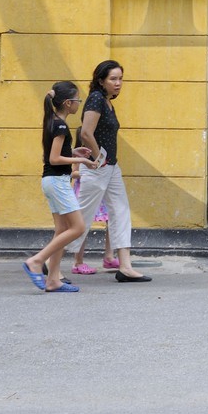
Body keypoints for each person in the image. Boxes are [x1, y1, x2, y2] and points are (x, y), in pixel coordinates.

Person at [68, 60, 151, 283]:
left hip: (111, 167)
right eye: (113, 79)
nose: (118, 83)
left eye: (120, 78)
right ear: (101, 80)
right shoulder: (96, 98)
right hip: (98, 168)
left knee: (121, 212)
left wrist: (105, 162)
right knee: (81, 217)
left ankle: (125, 266)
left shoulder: (106, 101)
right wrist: (99, 158)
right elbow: (86, 132)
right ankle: (46, 262)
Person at [23, 80, 89, 293]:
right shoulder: (60, 125)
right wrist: (83, 162)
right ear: (68, 103)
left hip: (51, 181)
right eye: (78, 100)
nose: (79, 103)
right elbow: (54, 158)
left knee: (62, 229)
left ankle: (53, 280)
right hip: (57, 182)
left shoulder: (52, 120)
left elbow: (57, 154)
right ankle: (37, 260)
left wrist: (74, 153)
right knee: (77, 228)